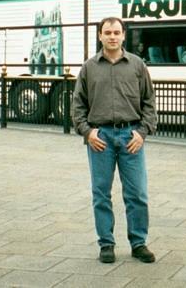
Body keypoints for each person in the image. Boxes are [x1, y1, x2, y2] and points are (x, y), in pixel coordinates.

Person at [71, 17, 157, 264]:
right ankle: (106, 244)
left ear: (123, 36)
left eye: (116, 32)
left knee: (137, 193)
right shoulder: (89, 67)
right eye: (107, 32)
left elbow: (149, 102)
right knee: (101, 194)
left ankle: (139, 243)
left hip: (131, 137)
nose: (112, 36)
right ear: (99, 36)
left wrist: (142, 132)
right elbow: (77, 105)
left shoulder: (137, 65)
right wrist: (88, 132)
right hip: (101, 138)